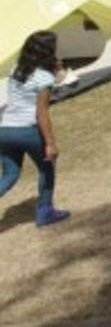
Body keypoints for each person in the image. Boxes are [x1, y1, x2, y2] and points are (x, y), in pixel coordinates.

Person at [0, 31, 69, 227]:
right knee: (47, 168)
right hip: (27, 130)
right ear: (48, 52)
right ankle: (45, 212)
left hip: (5, 129)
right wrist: (50, 144)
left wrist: (55, 70)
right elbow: (42, 113)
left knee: (10, 174)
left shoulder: (16, 69)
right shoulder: (44, 77)